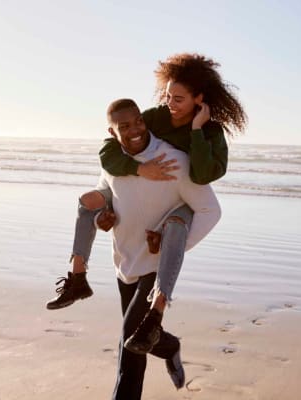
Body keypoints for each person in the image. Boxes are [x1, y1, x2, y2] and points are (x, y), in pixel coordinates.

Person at [46, 53, 246, 353]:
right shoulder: (155, 118)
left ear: (199, 99)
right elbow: (112, 149)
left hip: (184, 201)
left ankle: (158, 314)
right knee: (86, 203)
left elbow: (204, 174)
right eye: (167, 96)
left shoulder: (211, 132)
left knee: (131, 336)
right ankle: (78, 277)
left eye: (179, 99)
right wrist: (134, 177)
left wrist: (195, 130)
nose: (170, 104)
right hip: (141, 221)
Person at [97, 98, 221, 399]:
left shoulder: (173, 161)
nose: (135, 130)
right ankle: (168, 345)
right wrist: (103, 214)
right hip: (124, 262)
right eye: (124, 126)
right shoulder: (114, 161)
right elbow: (106, 191)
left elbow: (210, 211)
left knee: (129, 346)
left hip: (153, 268)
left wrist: (173, 251)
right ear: (112, 132)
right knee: (139, 341)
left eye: (138, 121)